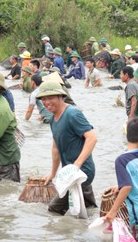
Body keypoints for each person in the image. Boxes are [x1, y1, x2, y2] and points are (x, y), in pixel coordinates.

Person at [37, 80, 97, 216]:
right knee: (85, 209)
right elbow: (55, 147)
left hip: (80, 172)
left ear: (60, 96)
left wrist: (77, 165)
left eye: (50, 98)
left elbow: (92, 138)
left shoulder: (72, 113)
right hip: (70, 171)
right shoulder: (53, 119)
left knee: (54, 209)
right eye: (44, 99)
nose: (46, 102)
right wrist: (52, 173)